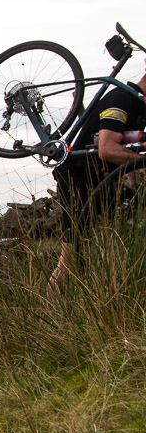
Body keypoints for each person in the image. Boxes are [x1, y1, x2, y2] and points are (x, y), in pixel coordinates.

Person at [49, 59, 146, 290]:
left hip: (99, 181)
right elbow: (108, 149)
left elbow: (128, 155)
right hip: (77, 177)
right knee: (70, 259)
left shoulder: (141, 108)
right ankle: (50, 305)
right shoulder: (123, 98)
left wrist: (136, 189)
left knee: (83, 256)